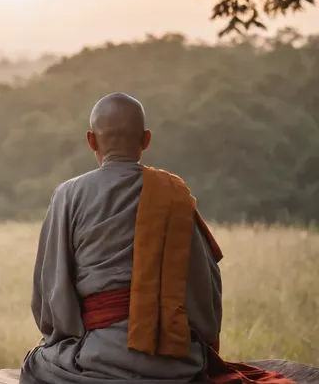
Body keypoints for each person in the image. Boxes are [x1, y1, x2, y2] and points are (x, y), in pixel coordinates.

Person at [19, 93, 294, 384]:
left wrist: (71, 338)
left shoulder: (68, 195)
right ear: (146, 139)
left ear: (91, 140)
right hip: (175, 362)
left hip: (96, 360)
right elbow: (205, 286)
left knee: (35, 364)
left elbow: (50, 292)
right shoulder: (173, 195)